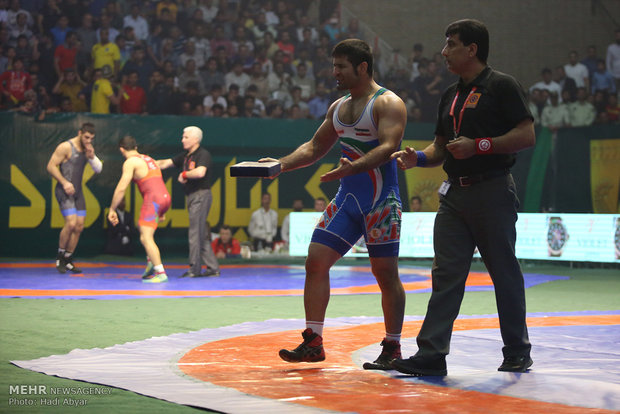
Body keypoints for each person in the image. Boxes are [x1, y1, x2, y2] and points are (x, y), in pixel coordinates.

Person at [390, 19, 536, 376]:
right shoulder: (449, 94)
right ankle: (432, 354)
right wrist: (419, 158)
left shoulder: (502, 86)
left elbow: (527, 133)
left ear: (472, 49)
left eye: (451, 44)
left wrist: (481, 146)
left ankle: (517, 350)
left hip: (492, 189)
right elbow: (442, 146)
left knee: (503, 273)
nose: (443, 52)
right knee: (445, 274)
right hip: (454, 194)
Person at [258, 38, 407, 370]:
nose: (334, 72)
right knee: (315, 261)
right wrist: (280, 164)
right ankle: (313, 341)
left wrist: (354, 166)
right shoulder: (339, 107)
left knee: (385, 273)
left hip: (381, 202)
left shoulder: (388, 103)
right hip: (347, 201)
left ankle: (393, 346)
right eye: (334, 65)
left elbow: (387, 147)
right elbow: (314, 148)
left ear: (362, 67)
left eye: (341, 66)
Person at [156, 126, 220, 277]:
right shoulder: (186, 156)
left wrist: (184, 174)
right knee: (201, 233)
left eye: (185, 137)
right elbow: (165, 163)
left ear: (195, 139)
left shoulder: (203, 154)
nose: (182, 140)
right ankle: (212, 267)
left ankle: (194, 269)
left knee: (194, 233)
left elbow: (200, 172)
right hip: (192, 196)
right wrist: (147, 162)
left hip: (200, 195)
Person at [108, 136, 171, 283]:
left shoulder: (130, 162)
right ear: (136, 147)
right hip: (165, 198)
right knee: (142, 227)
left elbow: (122, 187)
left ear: (121, 150)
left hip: (153, 201)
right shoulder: (148, 159)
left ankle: (160, 272)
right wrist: (162, 212)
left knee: (145, 237)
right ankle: (151, 262)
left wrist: (112, 209)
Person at [46, 122, 103, 274]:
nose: (88, 141)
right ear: (79, 133)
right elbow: (50, 166)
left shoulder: (87, 149)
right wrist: (64, 183)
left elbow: (98, 169)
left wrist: (91, 156)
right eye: (86, 137)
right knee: (71, 223)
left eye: (91, 139)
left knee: (79, 226)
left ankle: (68, 260)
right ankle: (59, 257)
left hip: (78, 192)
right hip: (64, 191)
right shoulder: (65, 147)